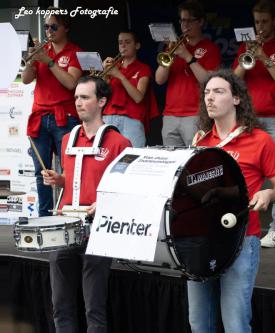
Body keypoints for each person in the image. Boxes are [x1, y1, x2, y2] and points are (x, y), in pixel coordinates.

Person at [188, 69, 275, 332]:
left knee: (236, 324)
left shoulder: (260, 140)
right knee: (199, 323)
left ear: (236, 99)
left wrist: (268, 193)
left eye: (218, 92)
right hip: (201, 238)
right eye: (207, 92)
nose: (210, 98)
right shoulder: (199, 140)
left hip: (241, 239)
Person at [42, 76, 131, 332]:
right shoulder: (67, 138)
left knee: (94, 308)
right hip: (65, 227)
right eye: (77, 97)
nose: (78, 102)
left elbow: (125, 190)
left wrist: (104, 203)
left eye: (85, 97)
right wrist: (59, 180)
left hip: (98, 230)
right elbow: (76, 179)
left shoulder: (119, 143)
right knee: (60, 305)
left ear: (102, 101)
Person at [233, 0, 275, 248]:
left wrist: (265, 58)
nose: (260, 26)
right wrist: (247, 57)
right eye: (256, 22)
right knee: (247, 172)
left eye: (264, 22)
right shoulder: (246, 47)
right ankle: (246, 223)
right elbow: (234, 81)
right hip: (250, 118)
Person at [21, 9, 82, 217]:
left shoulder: (74, 52)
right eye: (46, 26)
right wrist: (31, 60)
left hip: (64, 116)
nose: (49, 31)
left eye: (53, 26)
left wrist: (48, 61)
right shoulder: (43, 49)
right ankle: (45, 217)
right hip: (40, 116)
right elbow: (27, 79)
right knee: (42, 172)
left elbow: (71, 83)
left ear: (65, 28)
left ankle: (69, 214)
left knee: (69, 170)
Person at [155, 0, 221, 147]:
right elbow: (159, 79)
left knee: (196, 162)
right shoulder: (175, 47)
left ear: (201, 22)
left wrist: (187, 56)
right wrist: (170, 56)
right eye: (182, 20)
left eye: (190, 21)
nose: (185, 25)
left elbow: (207, 80)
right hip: (170, 115)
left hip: (195, 114)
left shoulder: (210, 48)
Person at [102, 30, 159, 147]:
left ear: (137, 45)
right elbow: (102, 95)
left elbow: (138, 97)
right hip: (108, 117)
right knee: (107, 158)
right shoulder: (113, 67)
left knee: (132, 158)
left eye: (127, 42)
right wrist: (104, 76)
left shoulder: (143, 68)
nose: (123, 45)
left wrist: (119, 75)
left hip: (131, 119)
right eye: (120, 42)